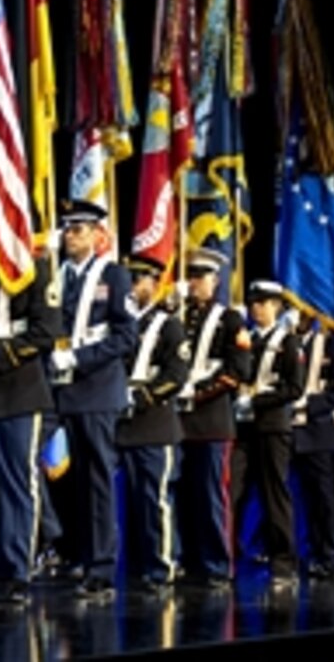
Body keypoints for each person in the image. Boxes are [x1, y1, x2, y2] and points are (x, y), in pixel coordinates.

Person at [0, 230, 59, 604]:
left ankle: (19, 568)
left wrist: (0, 356)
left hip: (20, 388)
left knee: (19, 482)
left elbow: (47, 331)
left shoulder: (34, 268)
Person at [50, 199, 137, 602]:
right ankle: (82, 555)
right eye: (67, 229)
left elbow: (125, 336)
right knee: (76, 480)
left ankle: (102, 566)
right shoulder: (58, 276)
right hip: (64, 390)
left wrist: (80, 357)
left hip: (99, 388)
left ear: (99, 235)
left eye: (79, 229)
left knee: (99, 479)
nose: (71, 235)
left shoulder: (114, 276)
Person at [175, 247, 251, 590]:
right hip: (181, 424)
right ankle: (191, 561)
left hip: (212, 422)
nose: (194, 284)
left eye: (200, 278)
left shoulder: (230, 320)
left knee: (212, 498)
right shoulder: (180, 317)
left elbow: (238, 372)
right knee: (187, 498)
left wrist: (198, 392)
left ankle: (218, 565)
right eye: (191, 277)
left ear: (215, 281)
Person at [116, 254, 189, 593]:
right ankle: (138, 565)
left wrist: (143, 397)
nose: (133, 287)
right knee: (131, 501)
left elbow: (177, 374)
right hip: (122, 426)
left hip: (155, 423)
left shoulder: (168, 325)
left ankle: (164, 566)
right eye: (129, 280)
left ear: (154, 284)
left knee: (155, 499)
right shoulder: (119, 323)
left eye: (139, 281)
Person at [231, 280, 304, 590]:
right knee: (232, 490)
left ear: (276, 306)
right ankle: (229, 557)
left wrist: (257, 400)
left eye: (262, 303)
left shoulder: (288, 343)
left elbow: (294, 388)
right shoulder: (246, 340)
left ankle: (283, 563)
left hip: (272, 427)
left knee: (275, 495)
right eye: (253, 303)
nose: (256, 308)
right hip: (243, 428)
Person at [288, 304, 334, 579]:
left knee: (323, 499)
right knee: (293, 498)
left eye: (303, 311)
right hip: (287, 432)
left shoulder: (330, 346)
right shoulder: (286, 343)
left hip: (317, 433)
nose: (298, 316)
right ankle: (302, 553)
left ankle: (328, 556)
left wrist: (310, 404)